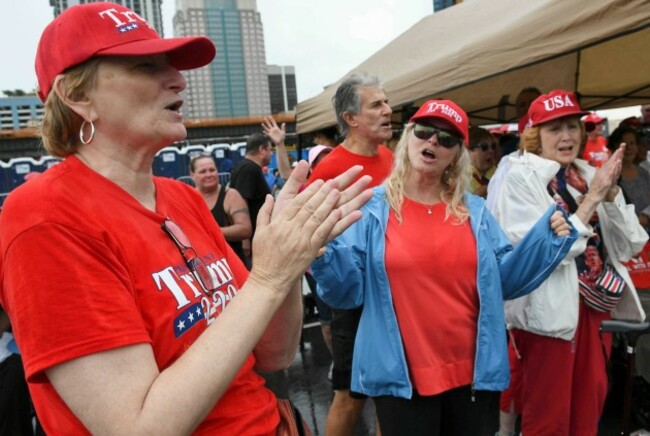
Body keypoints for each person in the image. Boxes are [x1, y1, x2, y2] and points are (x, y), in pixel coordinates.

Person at [0, 4, 373, 434]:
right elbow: (139, 428)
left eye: (172, 64)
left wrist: (289, 261)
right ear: (76, 95)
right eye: (145, 65)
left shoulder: (182, 197)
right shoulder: (45, 216)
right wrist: (269, 277)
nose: (178, 79)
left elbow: (274, 354)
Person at [311, 98, 577, 435]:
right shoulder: (372, 210)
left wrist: (545, 240)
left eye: (447, 138)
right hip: (401, 376)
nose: (433, 141)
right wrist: (322, 254)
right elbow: (346, 293)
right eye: (424, 132)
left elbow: (503, 283)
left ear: (456, 155)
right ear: (408, 137)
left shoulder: (475, 212)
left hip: (474, 375)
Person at [491, 89, 648, 435]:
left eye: (573, 126)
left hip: (592, 310)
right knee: (548, 417)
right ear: (534, 135)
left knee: (588, 409)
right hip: (545, 314)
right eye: (554, 128)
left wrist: (612, 195)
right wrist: (592, 199)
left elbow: (630, 244)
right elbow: (541, 251)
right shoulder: (518, 176)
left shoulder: (589, 174)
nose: (567, 136)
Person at [308, 72, 394, 436]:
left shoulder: (392, 157)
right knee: (350, 395)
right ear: (351, 119)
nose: (388, 110)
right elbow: (313, 237)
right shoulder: (328, 169)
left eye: (387, 102)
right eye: (377, 104)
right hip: (355, 297)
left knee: (391, 392)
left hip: (397, 290)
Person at [190, 153, 251, 264]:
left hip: (231, 264)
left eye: (212, 170)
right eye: (203, 171)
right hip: (202, 267)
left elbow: (245, 229)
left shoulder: (231, 195)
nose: (209, 174)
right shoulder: (186, 198)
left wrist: (208, 231)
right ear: (192, 175)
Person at [467, 126, 498, 198]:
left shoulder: (501, 174)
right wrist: (476, 197)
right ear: (467, 150)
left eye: (493, 146)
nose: (491, 151)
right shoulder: (456, 179)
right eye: (484, 147)